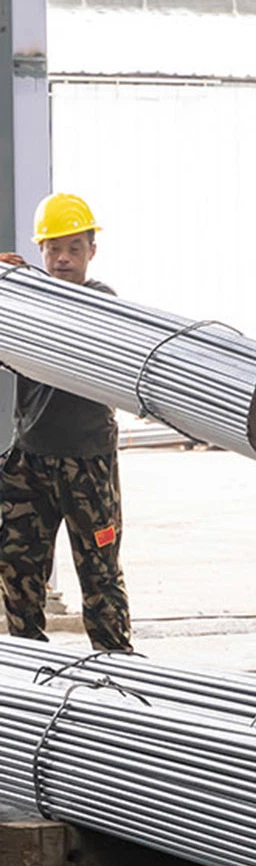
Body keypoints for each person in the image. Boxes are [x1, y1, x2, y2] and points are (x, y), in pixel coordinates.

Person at [0, 193, 131, 651]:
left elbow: (77, 322)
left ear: (91, 251)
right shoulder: (24, 300)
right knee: (17, 568)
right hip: (29, 459)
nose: (62, 258)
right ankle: (26, 662)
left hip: (86, 462)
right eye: (53, 248)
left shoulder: (102, 302)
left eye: (74, 247)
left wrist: (21, 286)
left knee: (99, 570)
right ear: (40, 249)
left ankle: (116, 665)